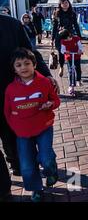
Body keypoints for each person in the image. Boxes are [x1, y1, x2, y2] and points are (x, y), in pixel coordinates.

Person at [0, 14, 57, 202]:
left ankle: (23, 167)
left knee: (18, 149)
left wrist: (46, 75)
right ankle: (4, 190)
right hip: (12, 99)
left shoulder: (10, 25)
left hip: (16, 100)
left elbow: (30, 53)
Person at [51, 0, 81, 78]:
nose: (65, 4)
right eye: (63, 3)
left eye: (67, 2)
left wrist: (79, 35)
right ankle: (61, 67)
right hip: (59, 36)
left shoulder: (72, 13)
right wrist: (52, 38)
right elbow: (54, 26)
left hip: (69, 35)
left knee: (69, 52)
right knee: (61, 53)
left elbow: (76, 25)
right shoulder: (57, 13)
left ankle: (70, 68)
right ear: (60, 4)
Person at [59, 29, 83, 93]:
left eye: (66, 39)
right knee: (70, 71)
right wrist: (65, 51)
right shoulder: (63, 41)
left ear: (68, 36)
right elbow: (62, 50)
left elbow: (80, 46)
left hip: (76, 56)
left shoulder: (76, 38)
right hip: (69, 57)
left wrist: (80, 50)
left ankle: (78, 79)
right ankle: (71, 85)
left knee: (78, 69)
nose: (65, 40)